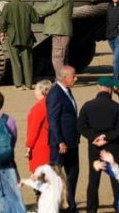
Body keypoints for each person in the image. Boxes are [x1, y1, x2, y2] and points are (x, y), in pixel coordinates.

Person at [77, 77, 119, 213]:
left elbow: (81, 126)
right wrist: (107, 137)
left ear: (98, 87)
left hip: (94, 147)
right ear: (110, 89)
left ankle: (91, 209)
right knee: (116, 178)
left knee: (93, 179)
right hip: (112, 146)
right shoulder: (116, 107)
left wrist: (94, 137)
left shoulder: (88, 106)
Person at [47, 65, 79, 213]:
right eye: (74, 76)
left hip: (71, 141)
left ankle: (70, 205)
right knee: (56, 176)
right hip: (60, 143)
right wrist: (60, 140)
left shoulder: (67, 90)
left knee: (73, 173)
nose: (76, 78)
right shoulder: (55, 93)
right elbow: (53, 120)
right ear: (65, 77)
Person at [0, 0, 37, 89]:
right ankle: (29, 84)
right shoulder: (27, 6)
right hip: (26, 37)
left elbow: (3, 22)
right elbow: (35, 19)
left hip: (12, 37)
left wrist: (2, 33)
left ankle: (19, 84)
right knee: (27, 61)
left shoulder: (7, 6)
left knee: (15, 62)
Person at [35, 0, 74, 78]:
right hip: (61, 31)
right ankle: (65, 78)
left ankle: (60, 79)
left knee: (57, 58)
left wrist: (33, 10)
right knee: (62, 57)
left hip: (60, 31)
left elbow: (49, 7)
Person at [26, 80, 53, 173]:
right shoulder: (51, 104)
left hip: (40, 146)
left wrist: (29, 146)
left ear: (42, 90)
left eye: (36, 89)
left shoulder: (39, 107)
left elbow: (34, 129)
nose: (34, 91)